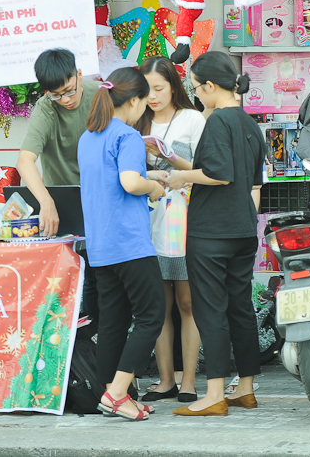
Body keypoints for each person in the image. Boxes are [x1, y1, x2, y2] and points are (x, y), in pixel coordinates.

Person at [167, 52, 267, 416]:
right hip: (243, 228)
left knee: (211, 308)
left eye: (196, 89)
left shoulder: (217, 122)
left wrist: (180, 177)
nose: (196, 96)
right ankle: (245, 387)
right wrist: (183, 166)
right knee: (240, 307)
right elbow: (248, 178)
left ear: (210, 86)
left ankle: (213, 394)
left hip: (212, 231)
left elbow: (219, 173)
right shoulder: (248, 123)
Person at [77, 68, 168, 422]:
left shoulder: (88, 136)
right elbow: (130, 182)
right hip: (129, 243)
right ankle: (118, 393)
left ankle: (110, 395)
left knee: (114, 321)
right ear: (133, 101)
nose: (143, 110)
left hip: (100, 246)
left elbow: (111, 181)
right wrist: (155, 187)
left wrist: (147, 177)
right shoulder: (128, 136)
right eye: (143, 103)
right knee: (151, 315)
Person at [135, 57, 206, 405]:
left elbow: (208, 169)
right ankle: (165, 380)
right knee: (157, 304)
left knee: (187, 301)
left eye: (159, 89)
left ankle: (189, 379)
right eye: (146, 90)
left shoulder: (192, 119)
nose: (153, 96)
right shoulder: (137, 121)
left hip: (186, 217)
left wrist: (170, 160)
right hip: (148, 219)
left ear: (174, 86)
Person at [16, 48, 101, 319]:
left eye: (69, 90)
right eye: (55, 94)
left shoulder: (101, 95)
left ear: (79, 75)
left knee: (106, 282)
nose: (64, 99)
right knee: (78, 283)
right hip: (66, 209)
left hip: (102, 200)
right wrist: (46, 201)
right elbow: (25, 161)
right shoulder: (46, 108)